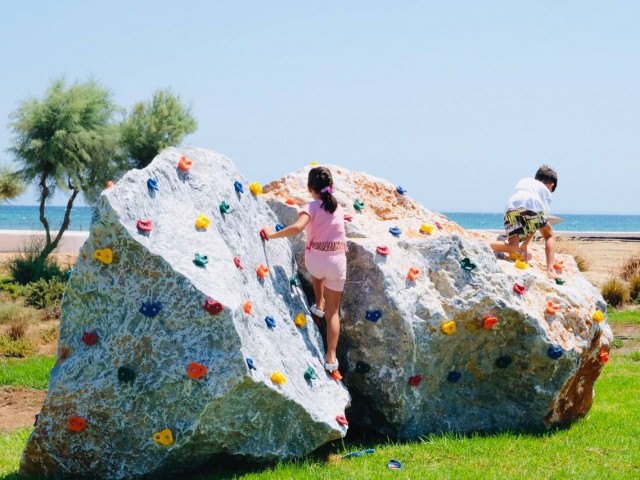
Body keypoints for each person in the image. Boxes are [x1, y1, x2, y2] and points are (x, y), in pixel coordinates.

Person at [262, 166, 347, 372]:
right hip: (336, 263)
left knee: (317, 272)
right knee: (333, 313)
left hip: (315, 262)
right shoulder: (339, 208)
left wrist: (271, 235)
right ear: (331, 187)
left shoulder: (310, 207)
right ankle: (331, 357)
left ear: (310, 188)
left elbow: (299, 228)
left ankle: (318, 303)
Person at [489, 165, 559, 279]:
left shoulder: (525, 181)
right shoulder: (546, 192)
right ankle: (550, 270)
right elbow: (537, 222)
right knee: (549, 235)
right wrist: (526, 242)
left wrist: (524, 244)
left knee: (513, 247)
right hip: (532, 204)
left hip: (511, 206)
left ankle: (487, 244)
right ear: (551, 186)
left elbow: (529, 217)